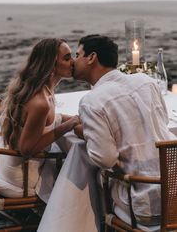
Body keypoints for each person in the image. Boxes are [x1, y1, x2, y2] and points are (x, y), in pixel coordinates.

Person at [73, 34, 175, 228]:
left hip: (147, 206)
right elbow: (161, 123)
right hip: (174, 188)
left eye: (77, 55)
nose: (74, 61)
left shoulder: (91, 102)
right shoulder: (147, 82)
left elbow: (105, 159)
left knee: (93, 183)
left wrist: (85, 131)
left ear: (91, 57)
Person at [0, 38, 80, 200]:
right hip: (22, 176)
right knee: (76, 170)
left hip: (7, 162)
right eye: (67, 58)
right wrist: (68, 126)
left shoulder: (41, 89)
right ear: (50, 65)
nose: (73, 62)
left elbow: (50, 121)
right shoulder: (40, 102)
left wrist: (76, 119)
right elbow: (27, 149)